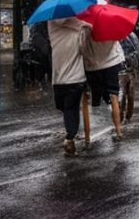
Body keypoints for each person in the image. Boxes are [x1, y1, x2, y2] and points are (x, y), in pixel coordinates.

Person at [48, 16, 91, 157]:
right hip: (75, 78)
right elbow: (84, 49)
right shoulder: (79, 26)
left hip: (58, 77)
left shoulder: (51, 25)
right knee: (70, 108)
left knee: (64, 107)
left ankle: (70, 135)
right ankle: (70, 136)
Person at [83, 32, 125, 143]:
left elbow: (82, 47)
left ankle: (87, 137)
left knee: (92, 95)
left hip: (94, 68)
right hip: (111, 64)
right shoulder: (109, 26)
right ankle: (118, 131)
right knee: (113, 96)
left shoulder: (86, 29)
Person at [119, 31, 139, 123]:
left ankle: (128, 116)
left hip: (131, 69)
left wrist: (128, 57)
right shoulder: (114, 37)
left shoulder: (131, 36)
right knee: (121, 93)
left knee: (130, 92)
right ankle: (120, 115)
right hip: (119, 69)